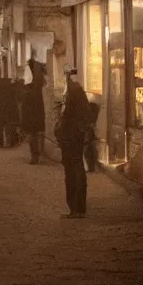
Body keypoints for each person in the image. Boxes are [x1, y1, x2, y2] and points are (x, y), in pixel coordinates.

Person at [56, 67, 92, 218]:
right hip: (75, 136)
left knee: (73, 171)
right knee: (76, 169)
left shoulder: (73, 92)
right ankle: (78, 208)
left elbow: (67, 117)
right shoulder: (78, 92)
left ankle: (76, 207)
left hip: (71, 137)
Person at [21, 54, 47, 164]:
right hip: (37, 111)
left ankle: (35, 156)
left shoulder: (28, 88)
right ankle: (38, 156)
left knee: (33, 135)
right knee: (37, 134)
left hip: (31, 112)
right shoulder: (39, 84)